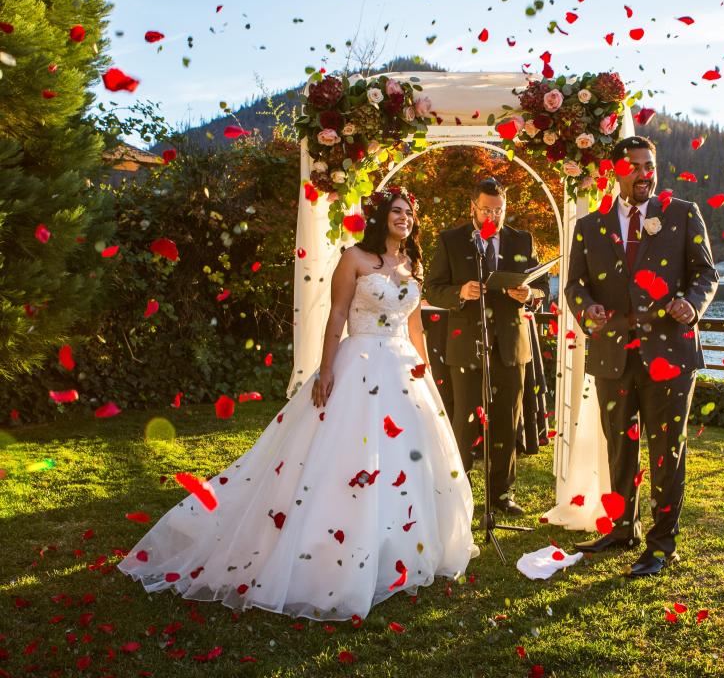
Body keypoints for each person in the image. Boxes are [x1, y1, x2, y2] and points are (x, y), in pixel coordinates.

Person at [118, 186, 477, 620]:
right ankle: (332, 552)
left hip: (405, 370)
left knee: (406, 462)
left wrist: (427, 371)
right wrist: (326, 370)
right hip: (360, 363)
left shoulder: (412, 264)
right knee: (351, 456)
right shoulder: (354, 259)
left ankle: (396, 547)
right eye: (396, 211)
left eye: (409, 213)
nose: (404, 218)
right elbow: (338, 316)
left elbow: (416, 326)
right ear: (380, 216)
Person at [564, 136, 719, 577]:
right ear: (616, 171)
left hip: (669, 353)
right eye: (634, 166)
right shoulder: (591, 226)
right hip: (613, 354)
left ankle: (660, 545)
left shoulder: (682, 214)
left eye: (649, 165)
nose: (644, 174)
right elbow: (575, 284)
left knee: (666, 450)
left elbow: (706, 273)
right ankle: (622, 528)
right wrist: (585, 309)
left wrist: (692, 303)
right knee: (619, 447)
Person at [424, 177, 550, 515]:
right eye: (486, 210)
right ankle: (457, 490)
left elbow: (543, 288)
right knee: (464, 423)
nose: (493, 216)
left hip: (511, 347)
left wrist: (530, 295)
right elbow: (432, 288)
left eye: (499, 210)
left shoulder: (522, 240)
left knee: (507, 423)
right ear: (473, 208)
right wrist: (459, 294)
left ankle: (501, 495)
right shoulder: (451, 241)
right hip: (466, 347)